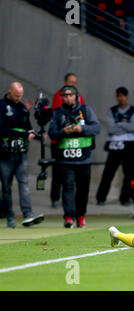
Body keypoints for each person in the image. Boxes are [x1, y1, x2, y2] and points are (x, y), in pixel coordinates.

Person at [48, 85, 101, 228]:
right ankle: (69, 217)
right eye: (64, 96)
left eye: (70, 95)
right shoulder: (57, 113)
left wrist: (81, 128)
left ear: (76, 96)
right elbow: (52, 133)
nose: (67, 98)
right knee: (68, 188)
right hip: (65, 158)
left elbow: (97, 128)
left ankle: (81, 216)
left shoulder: (86, 110)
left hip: (84, 158)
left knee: (83, 190)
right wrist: (63, 131)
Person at [0, 82, 45, 228]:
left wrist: (36, 135)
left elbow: (28, 128)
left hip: (21, 154)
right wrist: (24, 134)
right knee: (6, 187)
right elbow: (2, 130)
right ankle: (9, 217)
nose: (19, 98)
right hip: (5, 154)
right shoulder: (1, 106)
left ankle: (28, 214)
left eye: (21, 96)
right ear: (10, 92)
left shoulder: (22, 108)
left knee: (24, 184)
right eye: (16, 95)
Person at [96, 87, 134, 206]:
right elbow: (111, 128)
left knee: (129, 173)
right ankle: (101, 197)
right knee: (108, 172)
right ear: (116, 97)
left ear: (127, 97)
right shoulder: (112, 110)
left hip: (129, 145)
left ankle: (125, 198)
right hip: (114, 145)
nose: (121, 98)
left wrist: (119, 124)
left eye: (123, 96)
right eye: (119, 96)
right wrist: (125, 124)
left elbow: (133, 127)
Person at [50, 73, 86, 208]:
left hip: (76, 143)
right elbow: (58, 116)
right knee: (58, 172)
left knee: (75, 176)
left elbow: (83, 116)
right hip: (60, 142)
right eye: (71, 82)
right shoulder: (59, 96)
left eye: (75, 82)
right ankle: (54, 198)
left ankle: (71, 201)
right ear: (65, 82)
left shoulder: (79, 96)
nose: (73, 85)